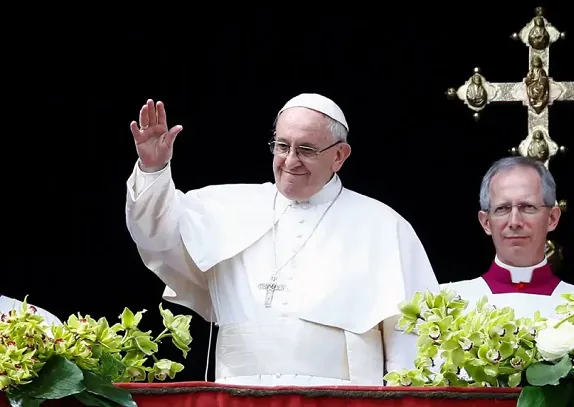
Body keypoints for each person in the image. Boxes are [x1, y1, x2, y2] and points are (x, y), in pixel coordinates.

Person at [124, 94, 440, 386]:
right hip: (239, 396)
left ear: (339, 156)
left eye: (306, 149)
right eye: (282, 146)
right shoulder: (227, 207)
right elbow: (155, 235)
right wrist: (153, 169)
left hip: (342, 401)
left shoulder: (384, 225)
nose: (290, 162)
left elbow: (411, 336)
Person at [441, 156, 574, 319]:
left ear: (552, 219)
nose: (514, 222)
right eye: (502, 208)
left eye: (528, 207)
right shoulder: (448, 305)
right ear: (486, 223)